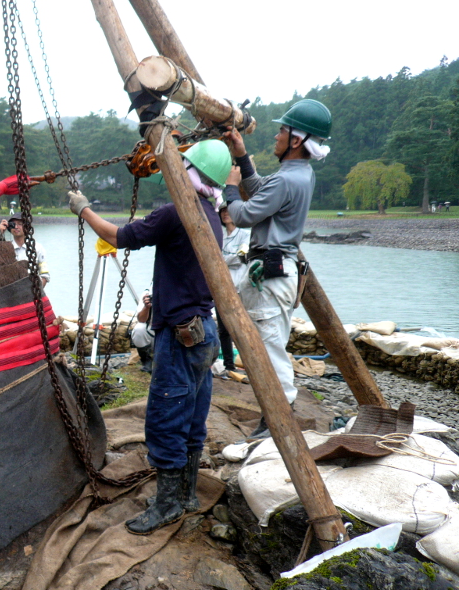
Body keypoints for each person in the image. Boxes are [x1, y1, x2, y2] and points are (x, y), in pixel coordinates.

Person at [68, 138, 225, 535]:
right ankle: (186, 495)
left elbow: (119, 236)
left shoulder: (176, 214)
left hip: (179, 336)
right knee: (192, 417)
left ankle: (169, 505)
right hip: (204, 333)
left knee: (165, 419)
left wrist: (83, 208)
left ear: (187, 173)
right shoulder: (213, 214)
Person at [222, 99, 332, 439]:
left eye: (282, 130)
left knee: (269, 347)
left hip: (270, 272)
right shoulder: (299, 175)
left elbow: (242, 214)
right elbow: (261, 193)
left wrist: (229, 186)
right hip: (277, 269)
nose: (276, 135)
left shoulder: (287, 180)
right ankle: (276, 418)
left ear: (296, 140)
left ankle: (278, 421)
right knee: (269, 343)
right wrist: (242, 155)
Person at [218, 201, 250, 375]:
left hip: (238, 287)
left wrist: (223, 259)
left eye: (229, 211)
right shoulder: (219, 234)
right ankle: (229, 365)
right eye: (222, 211)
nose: (225, 214)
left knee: (241, 327)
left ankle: (249, 363)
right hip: (221, 287)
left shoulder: (245, 235)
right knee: (223, 329)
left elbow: (241, 257)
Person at [0, 212, 50, 288]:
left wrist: (37, 291)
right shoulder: (6, 248)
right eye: (13, 224)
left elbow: (44, 275)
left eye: (20, 224)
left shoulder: (38, 248)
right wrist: (0, 233)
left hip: (32, 291)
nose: (16, 227)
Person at [130, 291, 155, 373]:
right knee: (139, 329)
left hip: (171, 329)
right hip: (152, 328)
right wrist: (147, 307)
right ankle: (146, 361)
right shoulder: (147, 293)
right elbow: (141, 319)